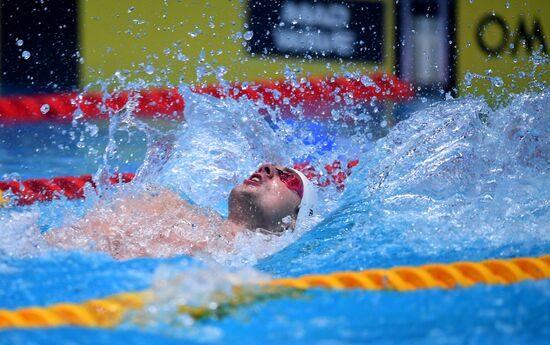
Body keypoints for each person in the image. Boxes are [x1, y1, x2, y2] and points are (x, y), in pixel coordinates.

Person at [45, 163, 317, 259]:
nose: (265, 167)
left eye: (288, 178)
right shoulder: (166, 203)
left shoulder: (261, 261)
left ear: (292, 220)